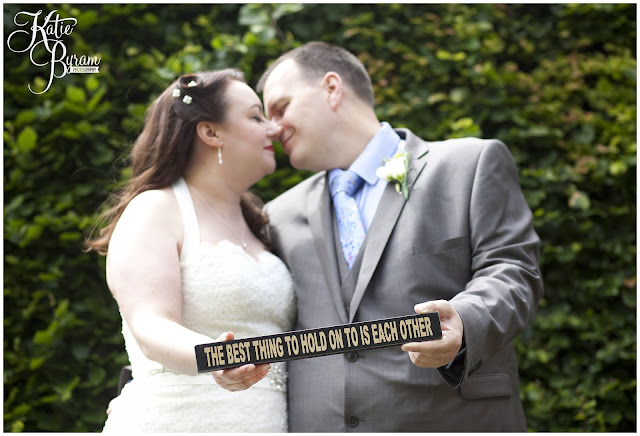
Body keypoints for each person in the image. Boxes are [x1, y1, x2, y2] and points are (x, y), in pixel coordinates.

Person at [255, 41, 543, 431]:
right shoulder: (278, 214)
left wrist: (464, 321)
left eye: (280, 107)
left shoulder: (469, 164)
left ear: (332, 88)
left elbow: (513, 271)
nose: (272, 127)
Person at [85, 69, 296, 432]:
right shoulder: (156, 209)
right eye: (255, 116)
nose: (273, 129)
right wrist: (216, 359)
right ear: (210, 132)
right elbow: (150, 323)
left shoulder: (263, 226)